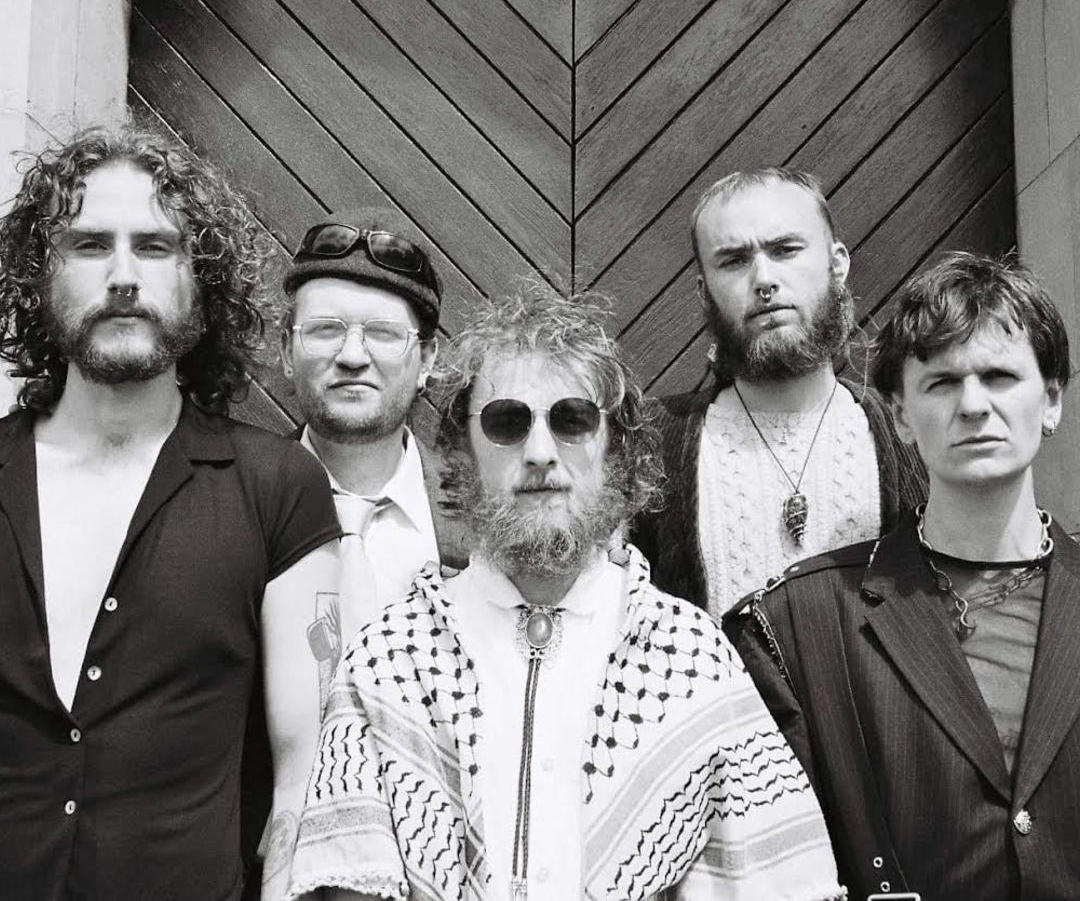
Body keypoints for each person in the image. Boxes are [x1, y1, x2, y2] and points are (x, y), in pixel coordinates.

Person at [282, 280, 843, 901]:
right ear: (463, 452)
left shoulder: (690, 655)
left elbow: (779, 884)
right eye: (506, 423)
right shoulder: (391, 656)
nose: (540, 452)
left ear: (616, 451)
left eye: (573, 420)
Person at [0, 126, 341, 900]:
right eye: (90, 245)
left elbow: (305, 772)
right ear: (41, 275)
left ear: (202, 281)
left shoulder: (277, 486)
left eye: (155, 248)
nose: (123, 276)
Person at [724, 252, 1079, 899]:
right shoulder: (797, 626)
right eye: (941, 383)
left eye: (1000, 376)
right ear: (899, 415)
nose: (973, 405)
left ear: (1051, 399)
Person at [634, 166, 926, 618]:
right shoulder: (650, 444)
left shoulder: (915, 432)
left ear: (837, 264)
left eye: (785, 250)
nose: (763, 279)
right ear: (704, 292)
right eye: (734, 260)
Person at [280, 207, 468, 655]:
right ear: (286, 351)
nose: (352, 356)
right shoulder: (232, 506)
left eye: (383, 333)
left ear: (426, 361)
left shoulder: (482, 518)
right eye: (325, 330)